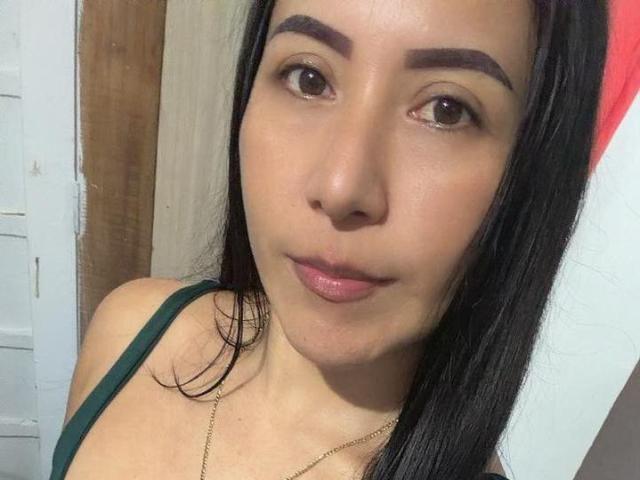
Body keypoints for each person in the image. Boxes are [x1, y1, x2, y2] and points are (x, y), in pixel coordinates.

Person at [50, 0, 608, 479]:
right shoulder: (132, 330)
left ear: (531, 175)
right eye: (308, 78)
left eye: (446, 110)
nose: (342, 188)